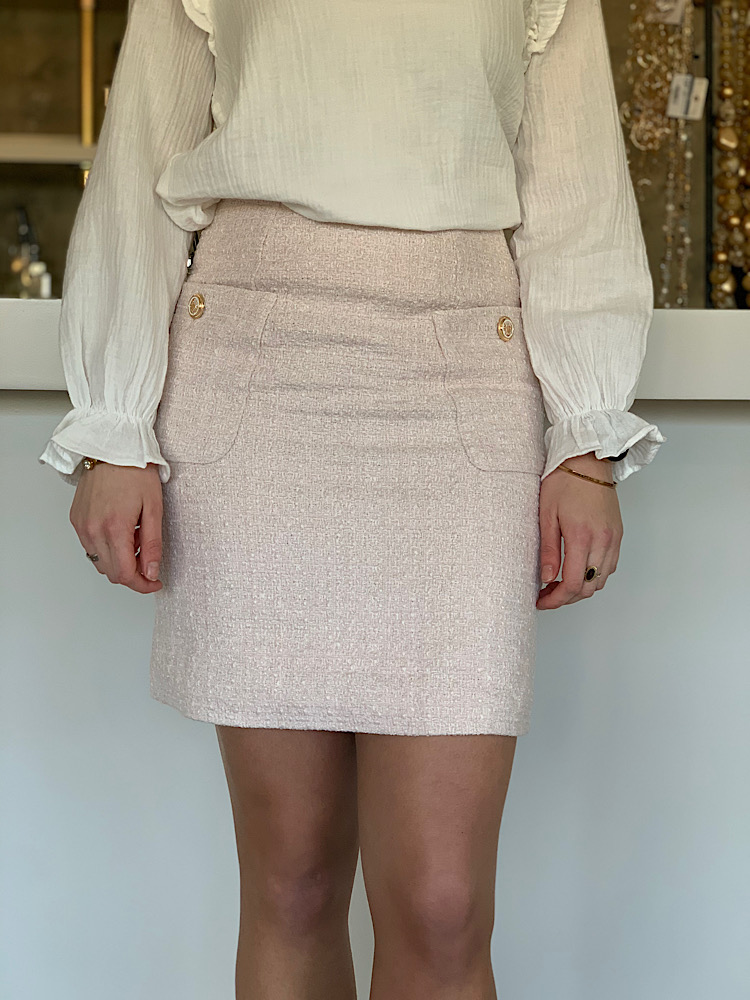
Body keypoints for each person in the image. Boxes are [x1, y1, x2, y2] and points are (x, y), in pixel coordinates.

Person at [39, 0, 666, 994]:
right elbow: (142, 158)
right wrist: (113, 426)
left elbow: (575, 181)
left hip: (465, 373)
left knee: (443, 904)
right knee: (291, 882)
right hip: (256, 362)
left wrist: (586, 444)